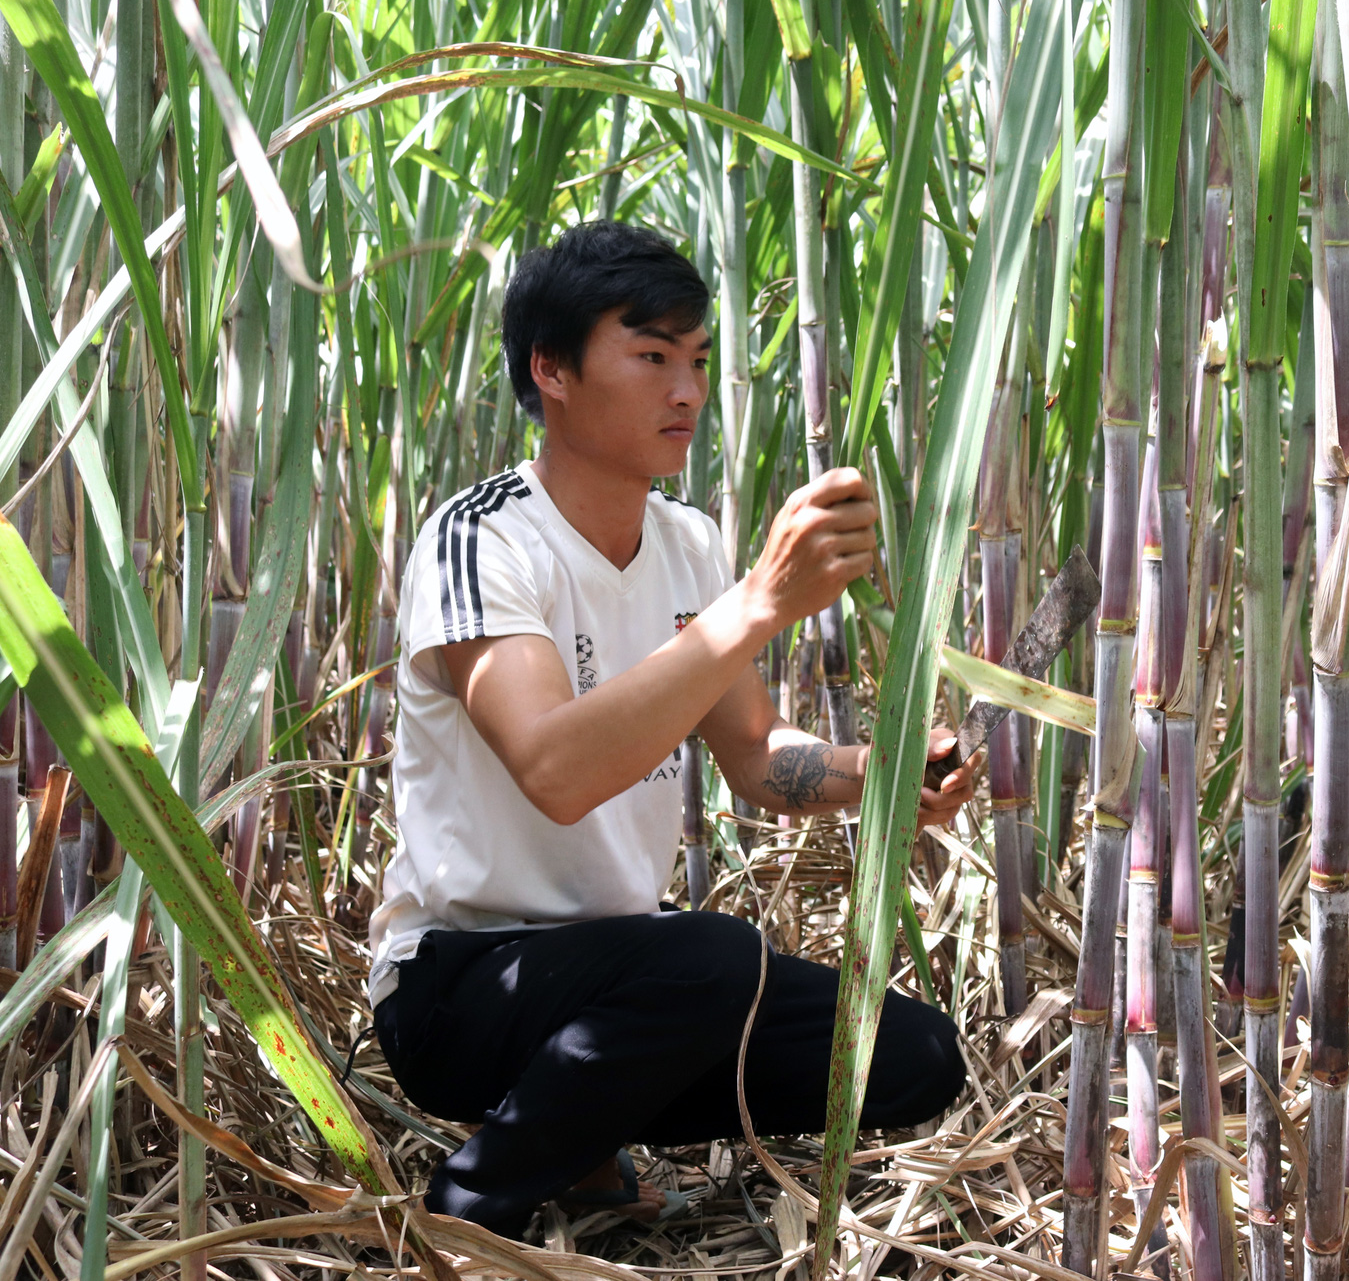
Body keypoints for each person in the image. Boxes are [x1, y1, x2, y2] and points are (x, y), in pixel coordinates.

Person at [368, 220, 975, 1239]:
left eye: (696, 360)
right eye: (650, 357)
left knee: (910, 1053)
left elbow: (751, 756)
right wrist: (758, 605)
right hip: (464, 983)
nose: (685, 391)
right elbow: (556, 770)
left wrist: (881, 775)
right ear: (549, 371)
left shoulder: (687, 543)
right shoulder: (480, 540)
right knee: (708, 956)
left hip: (624, 976)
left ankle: (573, 1135)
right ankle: (471, 1207)